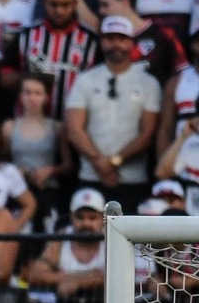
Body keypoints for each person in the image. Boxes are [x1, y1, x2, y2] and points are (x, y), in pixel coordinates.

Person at [65, 16, 161, 209]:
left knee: (129, 238)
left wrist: (115, 162)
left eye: (122, 38)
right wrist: (100, 163)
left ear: (131, 42)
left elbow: (148, 134)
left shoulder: (148, 83)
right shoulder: (85, 80)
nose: (116, 44)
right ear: (101, 41)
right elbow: (74, 129)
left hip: (132, 179)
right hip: (91, 175)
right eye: (110, 38)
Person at [25, 186, 109, 303]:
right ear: (71, 217)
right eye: (80, 217)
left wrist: (77, 283)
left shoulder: (112, 239)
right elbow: (36, 274)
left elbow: (117, 276)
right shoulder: (62, 238)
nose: (86, 224)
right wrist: (84, 277)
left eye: (92, 218)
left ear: (103, 219)